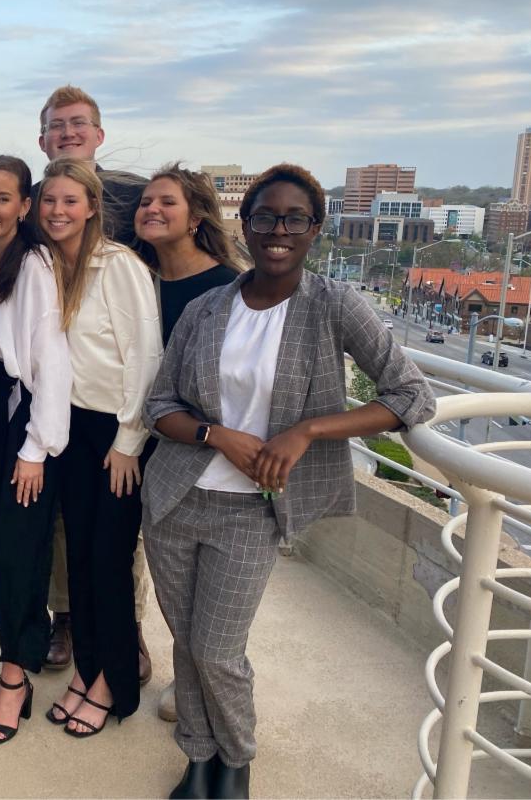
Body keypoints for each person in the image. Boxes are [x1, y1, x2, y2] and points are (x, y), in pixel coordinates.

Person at [143, 164, 435, 798]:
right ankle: (198, 756)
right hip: (175, 499)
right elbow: (159, 406)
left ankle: (236, 759)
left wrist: (308, 430)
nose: (279, 230)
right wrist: (216, 435)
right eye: (265, 218)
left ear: (315, 228)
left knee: (218, 649)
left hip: (253, 511)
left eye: (294, 218)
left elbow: (411, 396)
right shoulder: (205, 308)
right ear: (244, 228)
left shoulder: (334, 305)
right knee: (187, 644)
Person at [35, 159, 162, 738]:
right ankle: (87, 671)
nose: (58, 210)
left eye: (70, 201)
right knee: (81, 561)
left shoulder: (119, 265)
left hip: (115, 433)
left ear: (91, 207)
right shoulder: (48, 265)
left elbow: (146, 355)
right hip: (70, 428)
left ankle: (113, 682)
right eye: (49, 200)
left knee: (109, 562)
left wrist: (130, 439)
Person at [0, 155, 71, 745]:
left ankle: (13, 675)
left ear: (25, 206)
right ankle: (17, 650)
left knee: (17, 548)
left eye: (3, 198)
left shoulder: (34, 264)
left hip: (19, 412)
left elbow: (52, 359)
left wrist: (36, 447)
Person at [134, 164, 245, 722]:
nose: (152, 209)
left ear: (197, 216)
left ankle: (202, 684)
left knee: (206, 589)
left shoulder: (229, 288)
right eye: (145, 202)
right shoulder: (136, 278)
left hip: (201, 452)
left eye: (166, 202)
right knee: (165, 576)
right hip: (138, 441)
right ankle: (177, 667)